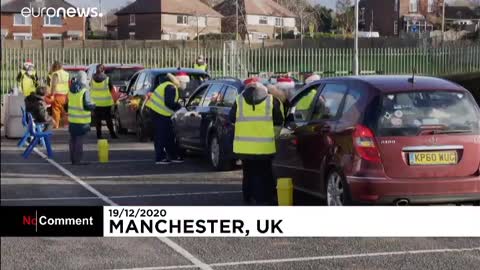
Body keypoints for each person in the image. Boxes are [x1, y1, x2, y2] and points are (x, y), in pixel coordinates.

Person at [229, 78, 284, 205]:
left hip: (243, 147)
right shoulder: (272, 100)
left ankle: (248, 197)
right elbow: (279, 122)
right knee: (265, 173)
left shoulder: (239, 100)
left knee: (248, 172)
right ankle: (264, 199)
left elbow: (232, 118)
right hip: (265, 146)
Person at [145, 73, 184, 165]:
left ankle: (172, 156)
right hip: (160, 114)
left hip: (159, 113)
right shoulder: (171, 87)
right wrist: (179, 107)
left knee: (169, 136)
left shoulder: (166, 85)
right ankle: (160, 157)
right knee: (161, 136)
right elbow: (169, 103)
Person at [68, 71, 95, 165]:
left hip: (72, 119)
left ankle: (73, 159)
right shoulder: (85, 91)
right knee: (79, 140)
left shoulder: (70, 89)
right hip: (82, 120)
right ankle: (78, 160)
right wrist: (93, 106)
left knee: (73, 139)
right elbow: (87, 105)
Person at [90, 64, 118, 139]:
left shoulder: (92, 79)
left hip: (96, 103)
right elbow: (112, 91)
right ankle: (112, 134)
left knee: (97, 120)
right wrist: (115, 100)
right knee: (108, 119)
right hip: (106, 103)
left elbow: (90, 90)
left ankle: (99, 135)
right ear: (103, 70)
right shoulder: (107, 79)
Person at [49, 61, 70, 129]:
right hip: (65, 96)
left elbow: (54, 85)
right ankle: (65, 124)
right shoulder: (66, 74)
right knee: (63, 111)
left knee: (56, 112)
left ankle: (56, 126)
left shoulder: (56, 74)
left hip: (57, 96)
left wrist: (51, 94)